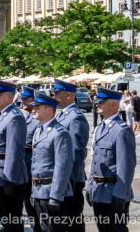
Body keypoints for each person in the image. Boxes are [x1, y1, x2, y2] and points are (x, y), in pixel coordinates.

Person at [86, 86, 136, 232]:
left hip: (114, 193)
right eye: (97, 102)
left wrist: (120, 193)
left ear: (113, 105)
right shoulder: (100, 128)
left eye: (101, 102)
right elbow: (95, 162)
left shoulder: (122, 130)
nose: (97, 104)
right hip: (99, 191)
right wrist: (90, 186)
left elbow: (126, 166)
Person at [0, 80, 28, 232]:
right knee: (5, 219)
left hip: (9, 178)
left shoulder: (14, 117)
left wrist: (9, 178)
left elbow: (15, 150)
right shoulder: (1, 115)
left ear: (10, 96)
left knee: (12, 221)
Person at [30, 90, 73, 232]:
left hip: (51, 193)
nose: (33, 109)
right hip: (39, 192)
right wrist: (33, 191)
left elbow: (63, 168)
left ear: (49, 110)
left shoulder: (60, 133)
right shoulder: (39, 131)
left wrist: (55, 196)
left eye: (38, 107)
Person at [52, 78, 89, 232]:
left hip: (71, 179)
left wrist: (67, 178)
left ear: (68, 95)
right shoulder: (61, 115)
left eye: (56, 94)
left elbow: (75, 153)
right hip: (63, 178)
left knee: (72, 220)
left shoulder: (75, 117)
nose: (53, 97)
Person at [20, 87, 41, 232]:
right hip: (25, 170)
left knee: (35, 209)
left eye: (26, 99)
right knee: (29, 207)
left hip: (33, 170)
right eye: (22, 98)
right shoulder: (27, 118)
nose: (23, 101)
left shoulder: (38, 121)